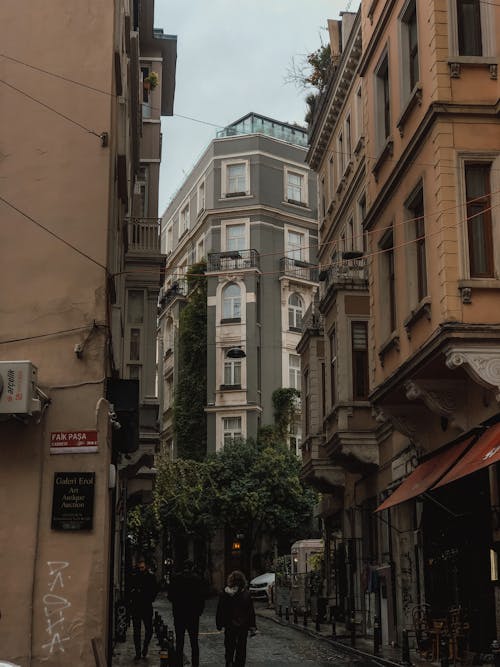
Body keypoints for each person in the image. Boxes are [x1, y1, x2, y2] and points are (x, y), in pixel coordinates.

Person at [167, 560, 206, 667]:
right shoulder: (197, 579)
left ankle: (179, 664)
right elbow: (202, 597)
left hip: (179, 614)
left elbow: (170, 596)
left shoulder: (175, 578)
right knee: (194, 642)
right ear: (192, 567)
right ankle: (195, 664)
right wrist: (199, 611)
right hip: (193, 615)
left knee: (180, 642)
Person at [216, 570, 256, 667]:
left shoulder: (225, 593)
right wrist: (252, 626)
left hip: (229, 624)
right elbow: (250, 612)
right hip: (243, 625)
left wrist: (219, 624)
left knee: (229, 646)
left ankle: (229, 662)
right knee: (241, 649)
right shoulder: (246, 594)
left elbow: (220, 610)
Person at [127, 557, 158, 661]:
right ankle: (138, 652)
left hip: (146, 606)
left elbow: (155, 589)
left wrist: (150, 598)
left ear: (145, 566)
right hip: (136, 606)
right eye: (139, 567)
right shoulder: (134, 576)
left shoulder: (150, 576)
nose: (141, 569)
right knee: (137, 631)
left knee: (149, 630)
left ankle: (145, 647)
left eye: (142, 567)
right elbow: (129, 589)